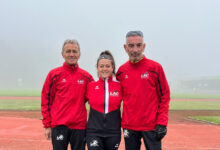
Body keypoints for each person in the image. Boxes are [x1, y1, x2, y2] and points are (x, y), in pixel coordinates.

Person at [116, 31, 170, 150]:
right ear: (125, 48)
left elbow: (165, 96)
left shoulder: (155, 68)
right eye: (131, 46)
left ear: (144, 46)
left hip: (151, 127)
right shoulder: (121, 72)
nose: (135, 49)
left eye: (138, 45)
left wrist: (162, 122)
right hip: (129, 127)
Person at [41, 39, 93, 150]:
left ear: (79, 54)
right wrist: (47, 125)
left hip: (79, 127)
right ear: (62, 54)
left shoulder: (87, 77)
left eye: (74, 51)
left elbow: (95, 99)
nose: (71, 54)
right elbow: (46, 99)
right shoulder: (54, 75)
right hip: (59, 126)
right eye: (68, 51)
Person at [86, 50, 122, 150]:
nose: (104, 69)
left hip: (113, 132)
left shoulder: (119, 86)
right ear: (97, 68)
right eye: (101, 66)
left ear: (112, 67)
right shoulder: (90, 86)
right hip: (93, 131)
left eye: (107, 66)